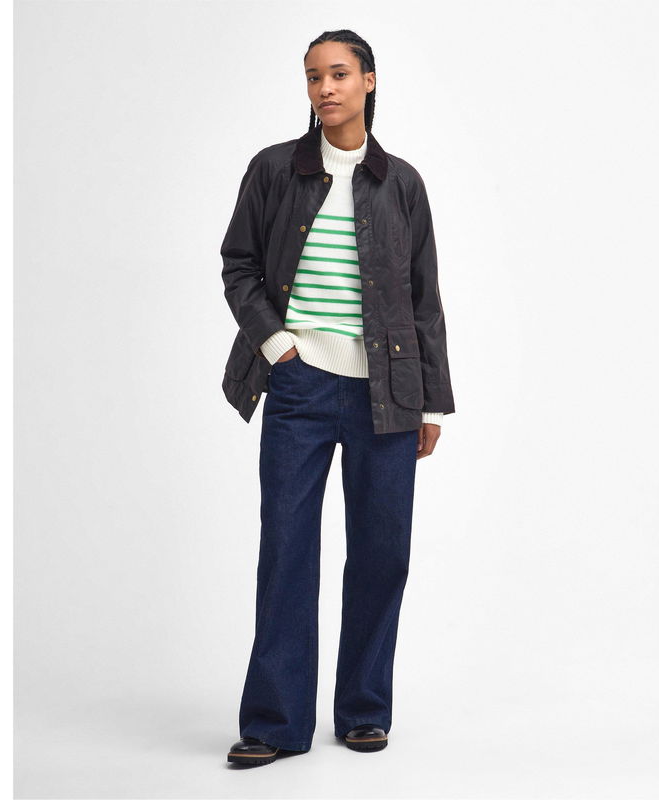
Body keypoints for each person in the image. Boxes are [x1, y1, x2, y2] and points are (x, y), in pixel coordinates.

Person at [222, 29, 455, 767]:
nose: (324, 88)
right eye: (313, 76)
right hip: (300, 385)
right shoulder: (274, 170)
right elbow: (238, 265)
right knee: (287, 550)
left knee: (382, 554)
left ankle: (363, 710)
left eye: (339, 74)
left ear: (368, 81)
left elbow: (423, 299)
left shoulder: (402, 183)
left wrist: (431, 404)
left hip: (388, 391)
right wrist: (277, 346)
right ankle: (274, 723)